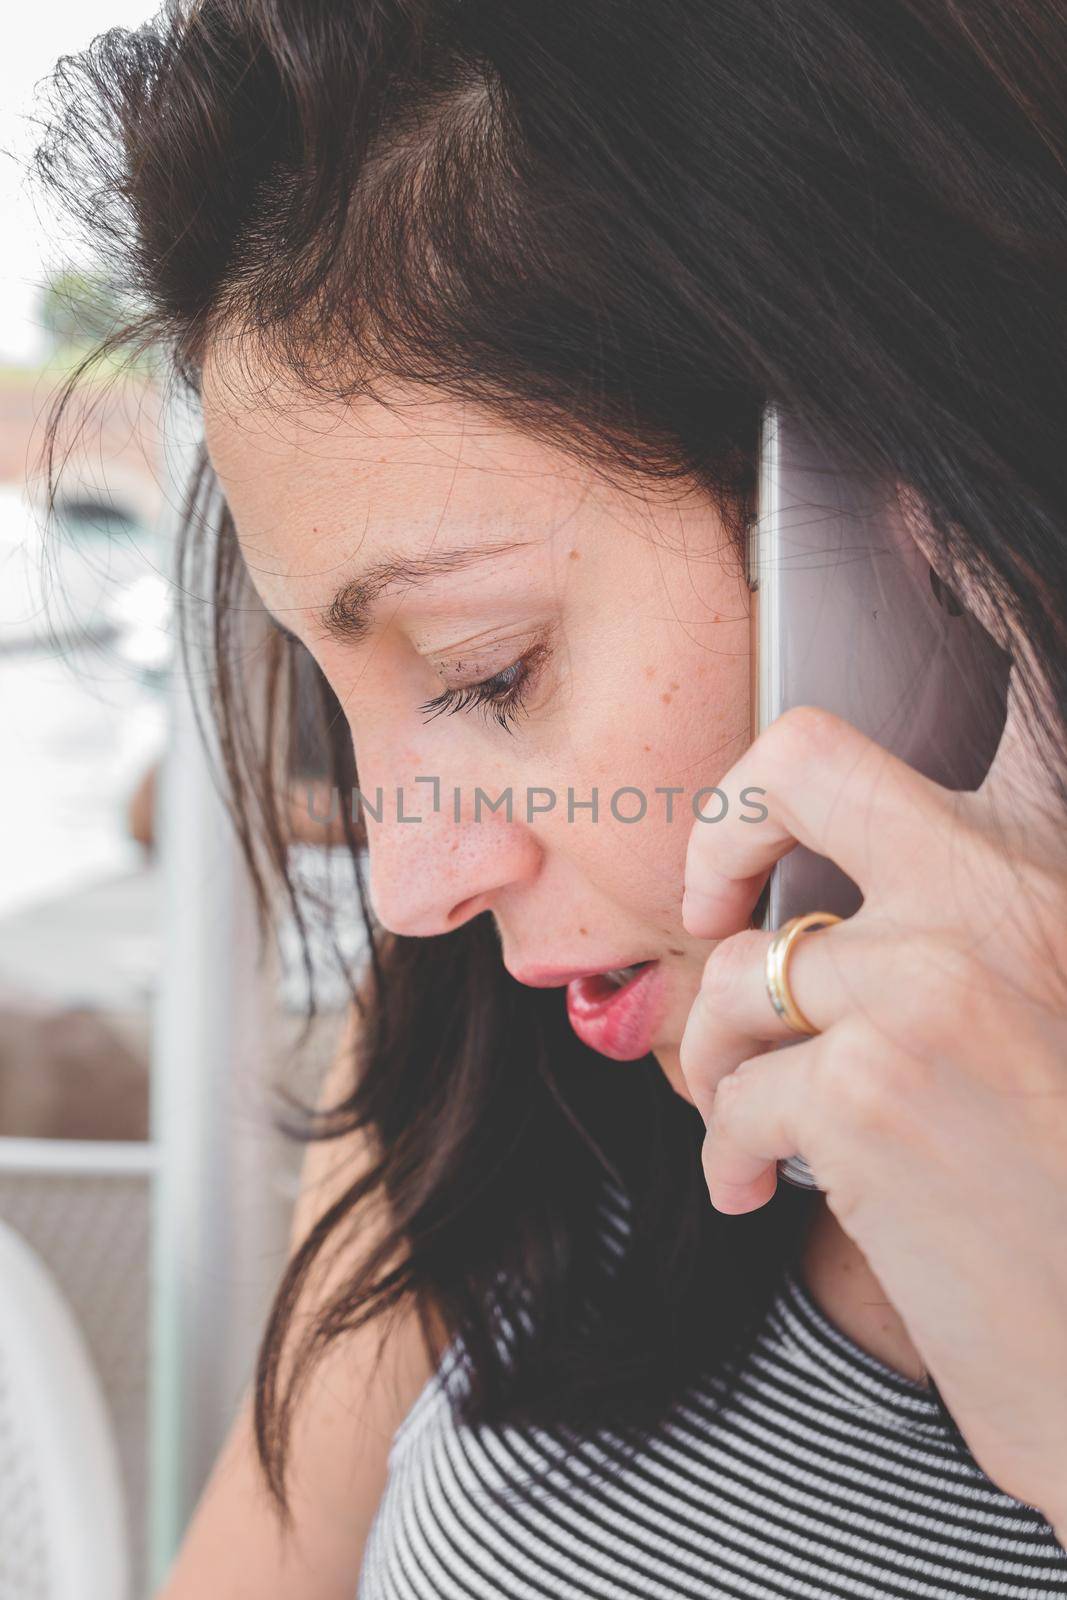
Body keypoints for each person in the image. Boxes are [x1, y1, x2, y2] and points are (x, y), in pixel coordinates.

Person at [36, 2, 1067, 1595]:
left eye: (486, 668)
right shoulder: (490, 1065)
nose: (410, 887)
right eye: (340, 694)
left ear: (903, 519)